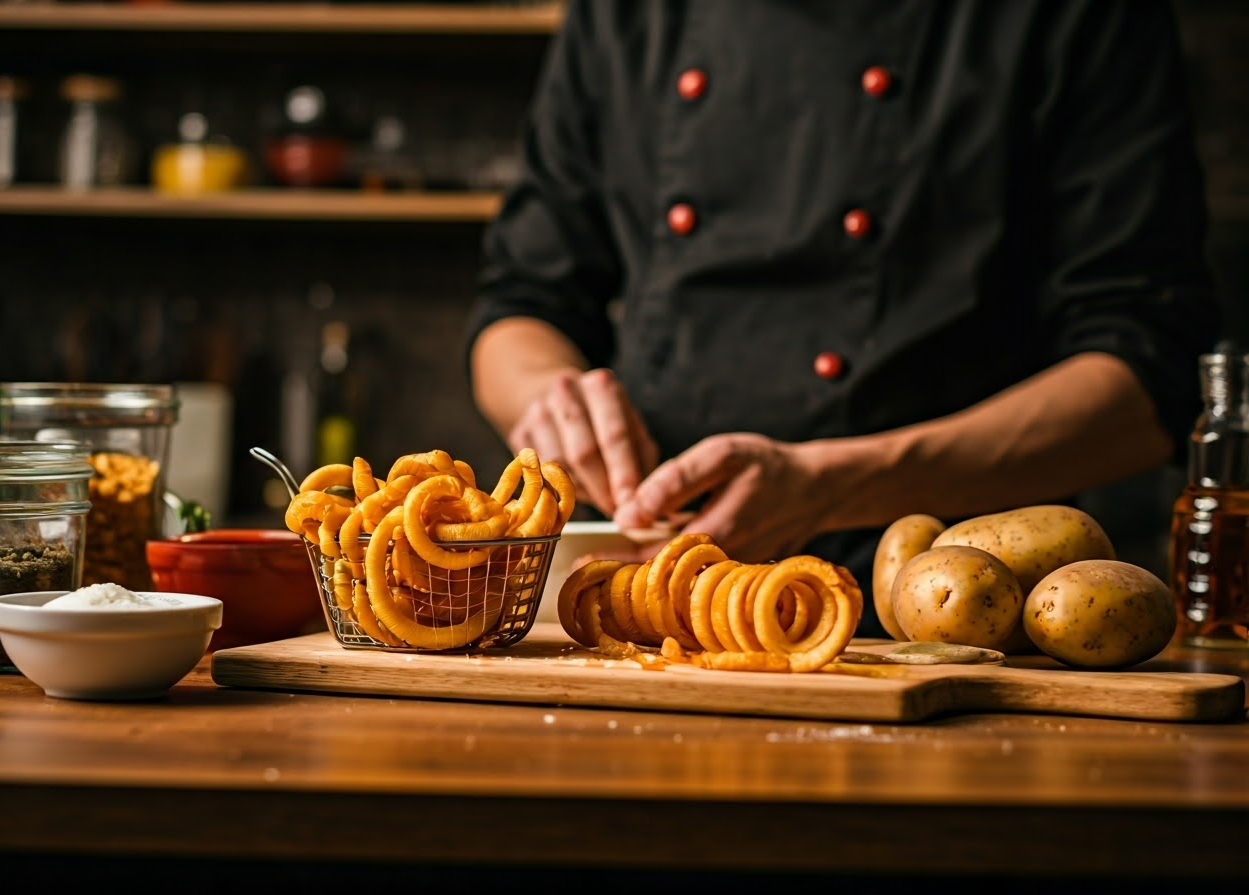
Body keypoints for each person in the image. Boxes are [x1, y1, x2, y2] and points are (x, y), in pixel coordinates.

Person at [463, 0, 1220, 636]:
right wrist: (549, 399)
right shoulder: (628, 13)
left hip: (934, 612)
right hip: (635, 599)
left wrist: (837, 485)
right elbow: (521, 303)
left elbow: (1146, 375)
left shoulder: (1076, 15)